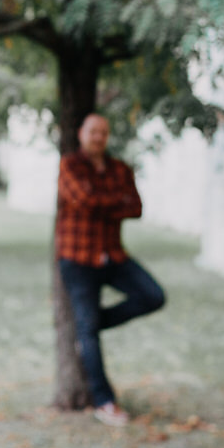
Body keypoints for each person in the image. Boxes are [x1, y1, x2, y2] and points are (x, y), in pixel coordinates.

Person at [56, 113, 166, 426]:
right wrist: (115, 198)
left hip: (113, 255)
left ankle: (88, 326)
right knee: (88, 333)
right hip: (78, 258)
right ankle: (105, 402)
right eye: (93, 131)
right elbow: (84, 200)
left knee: (153, 296)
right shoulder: (70, 166)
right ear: (81, 133)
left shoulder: (120, 168)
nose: (98, 137)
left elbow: (136, 207)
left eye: (103, 132)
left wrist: (105, 200)